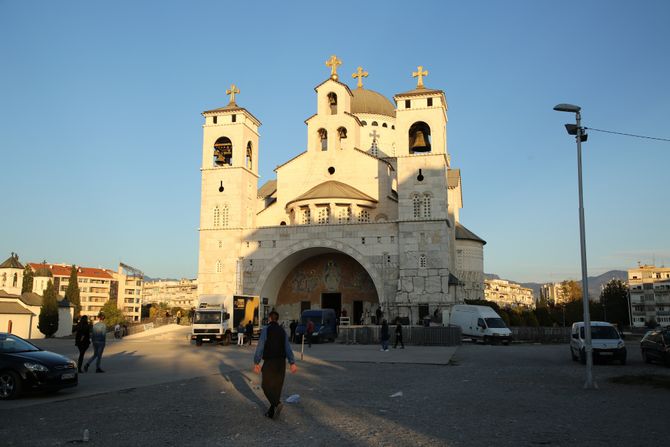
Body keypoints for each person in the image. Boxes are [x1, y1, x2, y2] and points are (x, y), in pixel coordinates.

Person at [253, 310, 298, 419]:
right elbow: (287, 347)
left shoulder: (266, 330)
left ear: (269, 318)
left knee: (266, 385)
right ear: (277, 319)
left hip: (270, 362)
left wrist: (256, 362)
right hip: (281, 363)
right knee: (277, 387)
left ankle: (277, 404)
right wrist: (292, 362)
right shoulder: (282, 331)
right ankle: (271, 412)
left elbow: (261, 346)